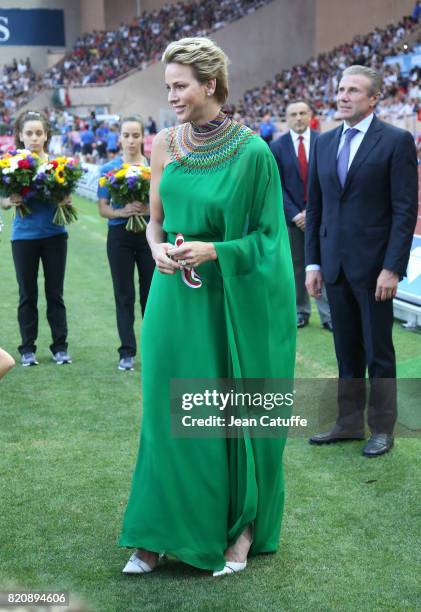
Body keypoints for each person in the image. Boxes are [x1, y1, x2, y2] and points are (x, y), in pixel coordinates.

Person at [119, 37, 296, 576]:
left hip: (228, 306)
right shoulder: (164, 145)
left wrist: (217, 249)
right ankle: (154, 535)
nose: (171, 95)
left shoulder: (253, 153)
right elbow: (155, 220)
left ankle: (240, 529)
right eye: (167, 86)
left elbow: (271, 241)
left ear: (211, 85)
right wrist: (155, 249)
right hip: (172, 299)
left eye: (180, 86)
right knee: (164, 417)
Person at [305, 66, 418, 457]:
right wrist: (312, 264)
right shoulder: (323, 142)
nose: (343, 96)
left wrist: (392, 267)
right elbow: (315, 209)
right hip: (333, 266)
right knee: (346, 350)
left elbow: (404, 211)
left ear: (373, 99)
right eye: (340, 89)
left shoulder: (396, 141)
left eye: (353, 90)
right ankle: (349, 422)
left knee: (378, 352)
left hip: (375, 272)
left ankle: (382, 428)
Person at [1, 110, 72, 367]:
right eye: (29, 133)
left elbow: (67, 199)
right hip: (23, 237)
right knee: (27, 295)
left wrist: (65, 200)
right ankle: (27, 349)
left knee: (55, 294)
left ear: (46, 136)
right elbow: (3, 200)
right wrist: (10, 200)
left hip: (54, 235)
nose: (34, 138)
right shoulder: (10, 165)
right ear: (20, 135)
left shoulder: (58, 166)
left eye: (39, 133)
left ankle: (60, 348)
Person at [97, 115, 155, 371]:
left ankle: (153, 350)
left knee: (150, 296)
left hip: (149, 237)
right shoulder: (108, 169)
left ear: (143, 137)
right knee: (124, 295)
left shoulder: (155, 168)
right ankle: (127, 352)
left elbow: (163, 206)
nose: (131, 141)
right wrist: (124, 211)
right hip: (119, 236)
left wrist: (146, 210)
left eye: (136, 135)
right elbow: (103, 208)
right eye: (126, 135)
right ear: (119, 138)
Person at [271, 100, 332, 330]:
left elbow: (330, 179)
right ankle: (301, 311)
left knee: (325, 264)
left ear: (310, 116)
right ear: (287, 118)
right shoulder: (276, 147)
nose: (298, 117)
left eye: (302, 113)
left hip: (322, 216)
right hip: (292, 219)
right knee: (297, 266)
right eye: (293, 114)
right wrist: (296, 214)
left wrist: (315, 212)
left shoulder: (325, 141)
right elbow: (276, 186)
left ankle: (328, 315)